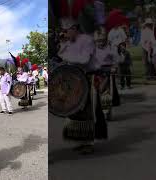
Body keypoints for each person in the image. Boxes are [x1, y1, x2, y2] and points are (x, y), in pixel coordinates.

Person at [58, 16, 107, 154]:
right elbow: (61, 57)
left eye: (66, 31)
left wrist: (67, 56)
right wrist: (63, 44)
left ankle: (89, 142)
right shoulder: (68, 42)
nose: (65, 34)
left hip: (88, 78)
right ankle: (81, 140)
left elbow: (85, 60)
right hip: (75, 79)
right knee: (75, 111)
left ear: (74, 29)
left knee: (87, 110)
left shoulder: (87, 40)